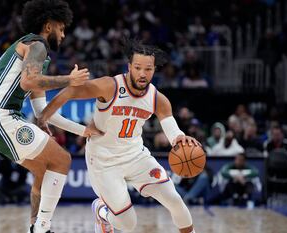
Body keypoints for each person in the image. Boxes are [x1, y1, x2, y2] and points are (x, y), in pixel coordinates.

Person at [39, 39, 198, 233]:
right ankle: (101, 212)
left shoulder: (158, 98)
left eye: (148, 69)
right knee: (128, 224)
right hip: (104, 160)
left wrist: (178, 138)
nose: (142, 74)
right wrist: (44, 116)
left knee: (174, 200)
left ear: (154, 70)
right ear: (129, 66)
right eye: (138, 67)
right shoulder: (110, 86)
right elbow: (71, 91)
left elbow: (170, 125)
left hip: (136, 156)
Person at [0, 1, 100, 232]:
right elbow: (28, 81)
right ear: (48, 26)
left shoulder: (38, 58)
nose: (63, 34)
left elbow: (43, 113)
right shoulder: (37, 44)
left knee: (44, 171)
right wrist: (69, 80)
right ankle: (42, 228)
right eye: (61, 28)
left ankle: (34, 225)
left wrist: (84, 131)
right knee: (63, 160)